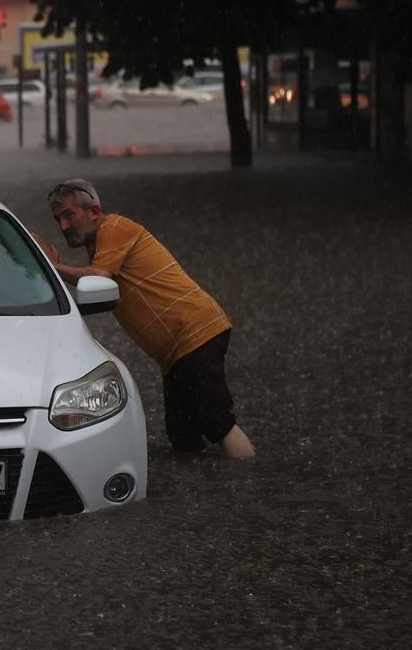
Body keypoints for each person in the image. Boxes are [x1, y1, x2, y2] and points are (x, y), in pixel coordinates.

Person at [34, 179, 256, 459]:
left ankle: (246, 479)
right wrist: (56, 271)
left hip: (194, 335)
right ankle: (206, 491)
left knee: (219, 422)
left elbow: (99, 277)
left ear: (93, 211)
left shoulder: (113, 227)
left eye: (69, 215)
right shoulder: (102, 247)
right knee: (182, 435)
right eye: (58, 219)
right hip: (175, 353)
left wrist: (54, 268)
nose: (63, 226)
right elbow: (95, 281)